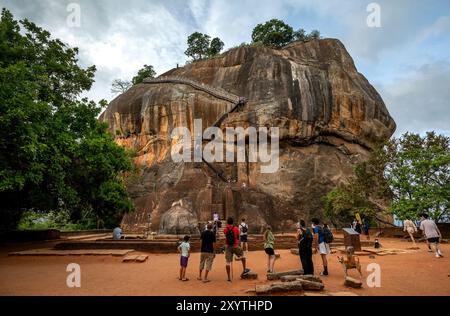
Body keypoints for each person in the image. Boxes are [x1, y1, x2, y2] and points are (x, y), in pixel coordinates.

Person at [224, 217, 249, 281]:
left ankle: (229, 277)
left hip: (228, 246)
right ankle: (244, 269)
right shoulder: (235, 228)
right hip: (235, 245)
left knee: (227, 262)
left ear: (227, 222)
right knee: (243, 255)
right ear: (232, 222)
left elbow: (226, 236)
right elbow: (238, 237)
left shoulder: (225, 229)